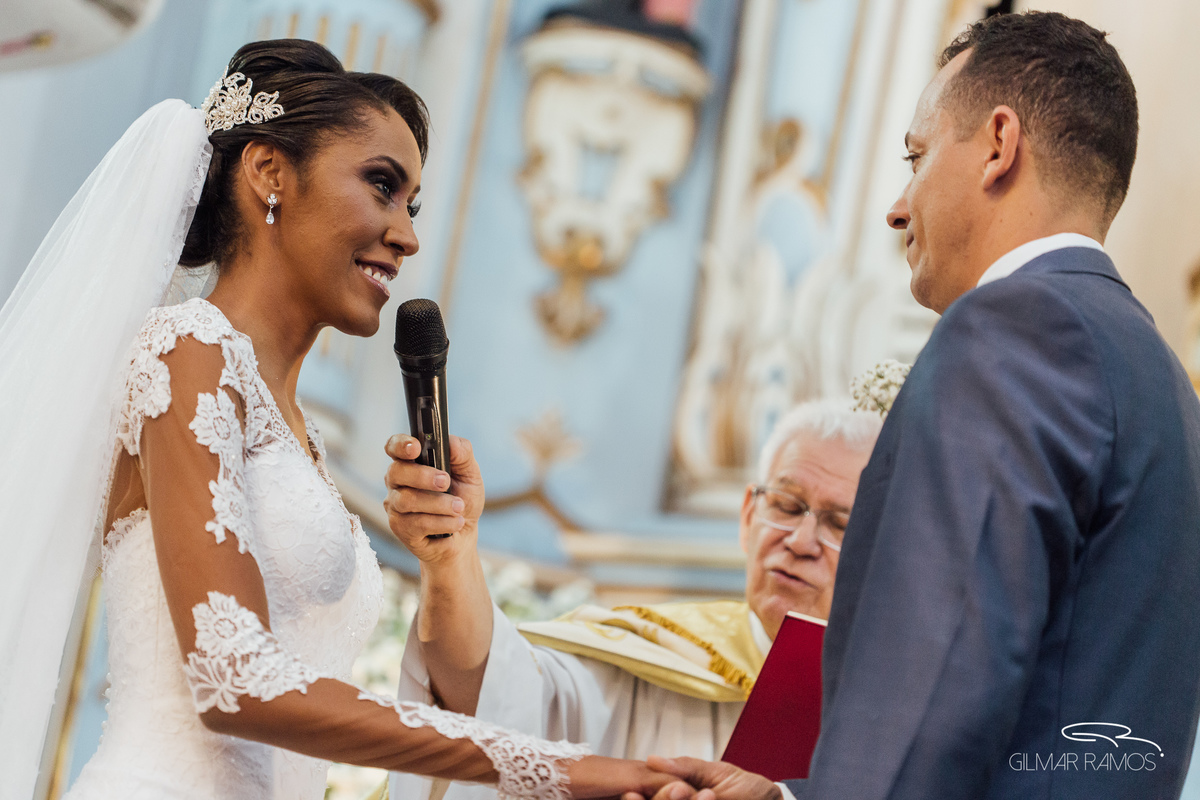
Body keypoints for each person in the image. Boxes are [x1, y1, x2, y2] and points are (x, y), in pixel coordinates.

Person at [0, 39, 685, 800]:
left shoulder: (304, 441)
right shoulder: (188, 350)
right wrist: (564, 770)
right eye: (382, 186)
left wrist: (447, 555)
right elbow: (236, 676)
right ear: (269, 173)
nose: (408, 234)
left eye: (412, 204)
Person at [636, 11, 1200, 800]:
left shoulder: (1013, 328)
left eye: (918, 156)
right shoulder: (1165, 383)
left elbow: (934, 686)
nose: (898, 206)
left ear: (999, 147)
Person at [380, 400, 882, 800]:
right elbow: (492, 701)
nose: (800, 540)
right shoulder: (654, 654)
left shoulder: (890, 714)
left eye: (841, 523)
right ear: (749, 516)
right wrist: (449, 559)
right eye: (788, 506)